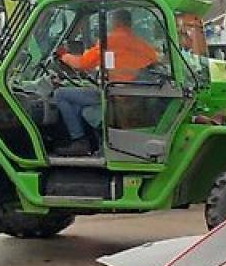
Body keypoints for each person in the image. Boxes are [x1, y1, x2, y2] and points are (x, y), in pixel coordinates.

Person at [52, 8, 160, 156]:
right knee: (77, 104)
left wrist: (63, 55)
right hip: (132, 98)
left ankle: (79, 141)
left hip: (113, 96)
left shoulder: (110, 40)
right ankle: (92, 144)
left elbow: (82, 63)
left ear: (115, 22)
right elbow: (153, 63)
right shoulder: (143, 46)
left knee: (60, 95)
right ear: (129, 23)